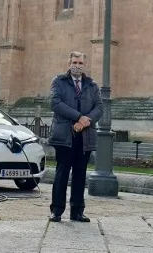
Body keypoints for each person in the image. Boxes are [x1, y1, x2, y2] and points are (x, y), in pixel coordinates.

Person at [48, 51, 104, 222]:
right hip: (65, 135)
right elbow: (55, 103)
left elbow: (99, 107)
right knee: (62, 173)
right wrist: (78, 116)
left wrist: (86, 121)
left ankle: (77, 211)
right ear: (69, 63)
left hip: (84, 136)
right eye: (75, 62)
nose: (77, 65)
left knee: (80, 174)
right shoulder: (59, 81)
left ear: (84, 65)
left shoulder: (91, 85)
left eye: (80, 63)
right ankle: (57, 210)